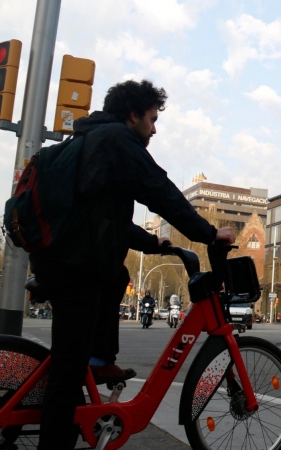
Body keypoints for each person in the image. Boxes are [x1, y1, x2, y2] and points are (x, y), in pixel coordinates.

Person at [30, 79, 235, 449]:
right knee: (66, 372)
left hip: (65, 258)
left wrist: (151, 243)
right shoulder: (117, 140)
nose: (154, 129)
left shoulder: (90, 139)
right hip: (73, 267)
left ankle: (99, 358)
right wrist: (208, 233)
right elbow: (159, 189)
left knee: (117, 275)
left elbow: (102, 216)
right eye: (152, 119)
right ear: (133, 114)